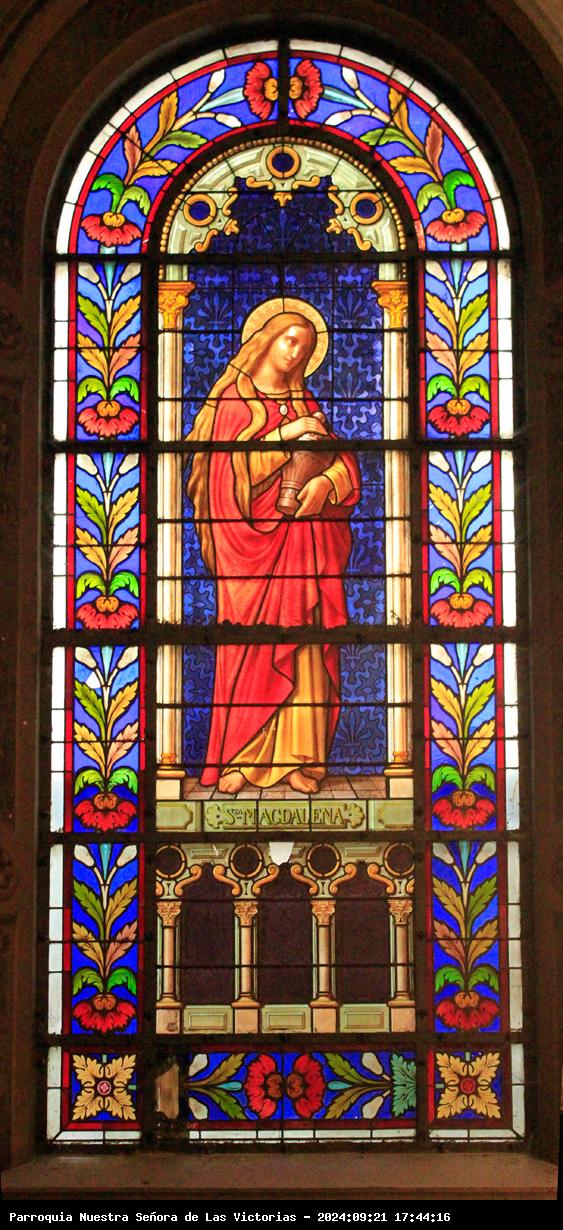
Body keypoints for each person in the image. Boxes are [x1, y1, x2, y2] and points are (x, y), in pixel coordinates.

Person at [187, 306, 360, 794]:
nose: (296, 352)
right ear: (265, 339)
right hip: (247, 549)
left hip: (305, 543)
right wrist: (285, 436)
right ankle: (240, 759)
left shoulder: (305, 400)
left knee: (305, 645)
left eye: (305, 347)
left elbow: (340, 460)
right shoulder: (233, 402)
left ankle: (300, 760)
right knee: (252, 648)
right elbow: (222, 476)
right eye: (289, 340)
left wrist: (326, 484)